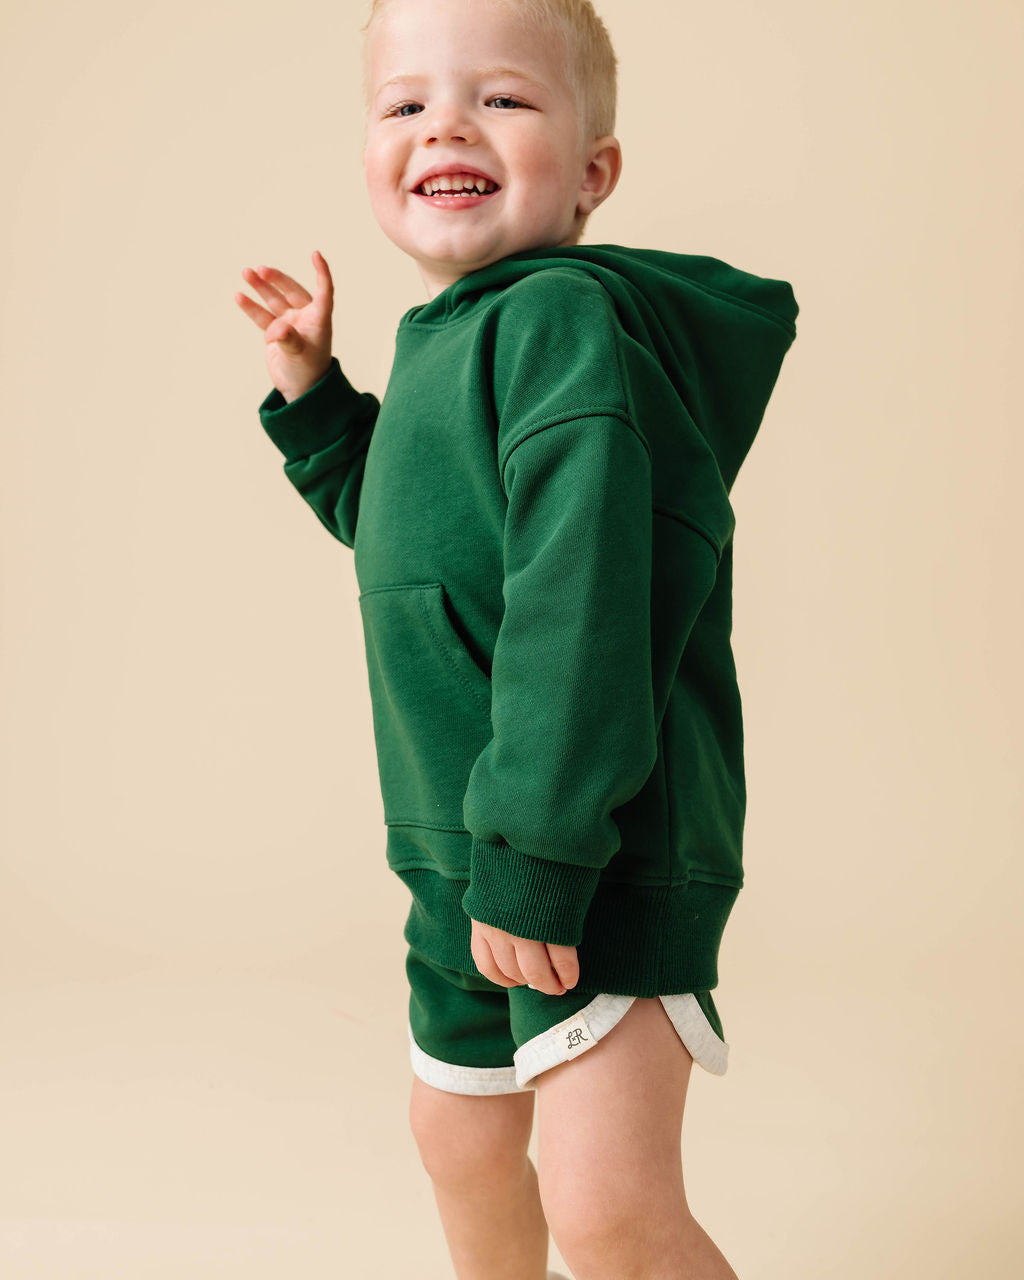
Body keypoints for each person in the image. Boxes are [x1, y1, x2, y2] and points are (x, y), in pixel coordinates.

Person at [234, 1, 798, 1276]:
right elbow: (413, 539)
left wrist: (539, 850)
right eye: (405, 103)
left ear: (593, 171)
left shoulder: (558, 325)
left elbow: (581, 599)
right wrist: (318, 399)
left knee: (608, 1208)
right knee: (461, 1139)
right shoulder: (449, 335)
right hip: (460, 848)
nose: (446, 125)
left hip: (583, 847)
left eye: (500, 97)